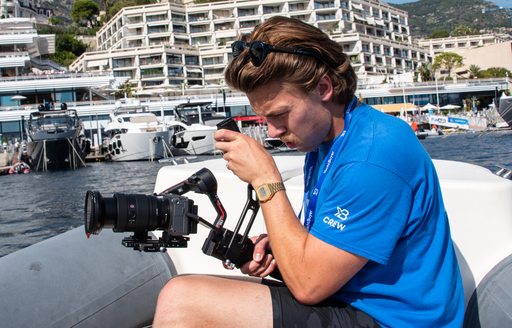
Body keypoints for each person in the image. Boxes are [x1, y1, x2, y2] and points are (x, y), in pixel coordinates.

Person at [153, 16, 464, 327]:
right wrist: (280, 252)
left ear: (323, 88)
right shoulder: (331, 141)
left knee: (183, 300)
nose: (273, 131)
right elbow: (324, 258)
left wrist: (265, 178)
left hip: (393, 320)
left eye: (281, 114)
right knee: (193, 290)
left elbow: (308, 285)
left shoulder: (371, 159)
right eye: (264, 118)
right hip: (349, 303)